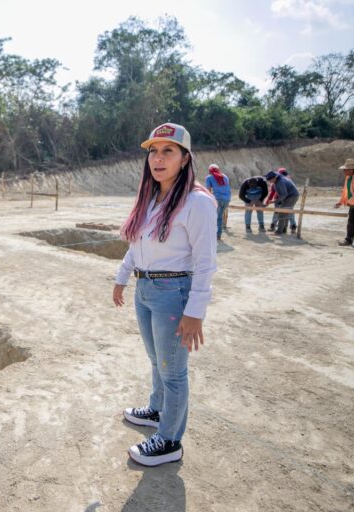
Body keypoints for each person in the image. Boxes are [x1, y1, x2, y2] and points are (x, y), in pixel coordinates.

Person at [112, 123, 217, 467]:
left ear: (185, 159)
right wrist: (123, 277)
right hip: (146, 289)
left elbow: (205, 263)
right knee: (157, 361)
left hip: (174, 294)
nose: (158, 158)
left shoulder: (197, 202)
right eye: (153, 151)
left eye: (168, 151)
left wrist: (195, 311)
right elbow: (137, 244)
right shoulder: (153, 195)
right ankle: (157, 411)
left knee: (173, 371)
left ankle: (170, 440)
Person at [265, 170, 299, 235]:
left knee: (282, 212)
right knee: (285, 212)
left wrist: (274, 201)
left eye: (270, 179)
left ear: (274, 178)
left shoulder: (280, 182)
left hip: (291, 196)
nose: (269, 181)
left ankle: (279, 231)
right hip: (289, 196)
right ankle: (284, 230)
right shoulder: (278, 180)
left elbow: (284, 194)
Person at [204, 164, 231, 240]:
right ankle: (218, 235)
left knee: (213, 217)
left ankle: (212, 234)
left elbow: (208, 190)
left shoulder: (209, 177)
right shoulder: (225, 177)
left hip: (217, 199)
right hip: (227, 199)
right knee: (219, 217)